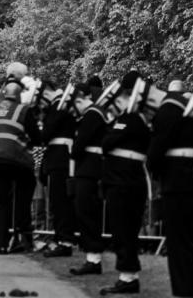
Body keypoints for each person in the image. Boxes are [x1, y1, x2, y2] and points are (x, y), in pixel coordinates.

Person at [149, 78, 193, 298]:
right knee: (189, 242)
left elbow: (156, 151)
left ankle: (183, 291)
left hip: (176, 182)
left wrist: (154, 168)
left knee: (177, 241)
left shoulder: (168, 113)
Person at [0, 63, 40, 255]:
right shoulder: (23, 110)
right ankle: (24, 236)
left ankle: (1, 243)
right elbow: (37, 138)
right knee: (24, 192)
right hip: (13, 158)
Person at [99, 71, 151, 295]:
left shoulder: (130, 119)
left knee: (124, 230)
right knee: (122, 230)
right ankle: (127, 275)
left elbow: (107, 142)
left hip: (124, 183)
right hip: (122, 182)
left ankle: (128, 276)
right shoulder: (130, 119)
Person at [69, 76, 108, 277]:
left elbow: (78, 145)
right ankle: (91, 257)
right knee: (84, 212)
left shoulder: (92, 115)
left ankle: (93, 258)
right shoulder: (93, 115)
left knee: (87, 212)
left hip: (89, 169)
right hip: (89, 168)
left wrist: (74, 150)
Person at [39, 80, 76, 258]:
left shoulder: (59, 106)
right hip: (59, 157)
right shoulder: (61, 105)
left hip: (60, 159)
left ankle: (65, 241)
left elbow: (46, 134)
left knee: (60, 202)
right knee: (58, 202)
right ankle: (61, 237)